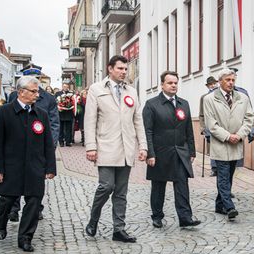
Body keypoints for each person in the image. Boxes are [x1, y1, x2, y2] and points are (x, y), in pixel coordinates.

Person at [84, 55, 147, 243]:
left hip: (126, 148)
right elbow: (90, 120)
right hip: (105, 146)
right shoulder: (96, 90)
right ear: (110, 69)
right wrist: (90, 147)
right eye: (120, 68)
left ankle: (119, 229)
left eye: (125, 69)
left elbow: (138, 121)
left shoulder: (131, 92)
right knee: (106, 186)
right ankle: (94, 219)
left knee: (121, 191)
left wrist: (143, 146)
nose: (123, 72)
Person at [0, 76, 56, 252]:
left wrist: (50, 167)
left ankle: (25, 237)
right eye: (33, 91)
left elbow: (47, 143)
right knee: (7, 200)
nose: (37, 95)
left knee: (34, 201)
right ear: (21, 92)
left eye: (38, 91)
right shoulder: (4, 112)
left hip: (35, 166)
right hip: (11, 166)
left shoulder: (40, 114)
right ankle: (1, 223)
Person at [143, 71, 201, 228]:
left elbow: (189, 129)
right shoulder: (152, 104)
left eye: (175, 83)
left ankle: (185, 217)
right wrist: (150, 153)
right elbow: (147, 131)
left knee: (182, 185)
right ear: (162, 84)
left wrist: (192, 151)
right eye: (170, 83)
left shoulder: (184, 103)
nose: (174, 85)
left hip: (180, 152)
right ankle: (157, 216)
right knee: (158, 186)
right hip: (160, 152)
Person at [7, 71, 60, 222]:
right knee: (15, 176)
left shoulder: (48, 99)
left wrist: (51, 145)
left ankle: (36, 208)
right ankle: (14, 208)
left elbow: (54, 123)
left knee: (37, 179)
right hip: (18, 145)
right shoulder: (13, 96)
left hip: (38, 146)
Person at [203, 68, 254, 219]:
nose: (231, 83)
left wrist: (239, 135)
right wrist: (227, 136)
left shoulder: (243, 98)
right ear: (220, 82)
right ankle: (229, 206)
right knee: (223, 175)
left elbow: (249, 118)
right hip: (221, 143)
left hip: (236, 143)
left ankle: (219, 205)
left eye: (233, 80)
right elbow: (211, 124)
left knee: (230, 175)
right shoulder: (209, 99)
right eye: (228, 80)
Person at [198, 76, 218, 176]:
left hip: (220, 126)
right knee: (212, 148)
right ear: (208, 86)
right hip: (209, 127)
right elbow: (201, 114)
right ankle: (214, 168)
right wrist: (202, 127)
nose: (213, 86)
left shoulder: (220, 96)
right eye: (210, 84)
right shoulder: (204, 97)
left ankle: (220, 167)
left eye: (214, 83)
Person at [56, 82, 74, 147]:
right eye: (64, 86)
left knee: (69, 129)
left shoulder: (71, 94)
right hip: (61, 113)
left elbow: (74, 102)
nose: (65, 88)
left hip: (69, 113)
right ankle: (61, 142)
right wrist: (59, 107)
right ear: (62, 87)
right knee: (61, 128)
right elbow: (55, 102)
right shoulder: (58, 93)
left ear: (68, 87)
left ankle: (68, 142)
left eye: (66, 87)